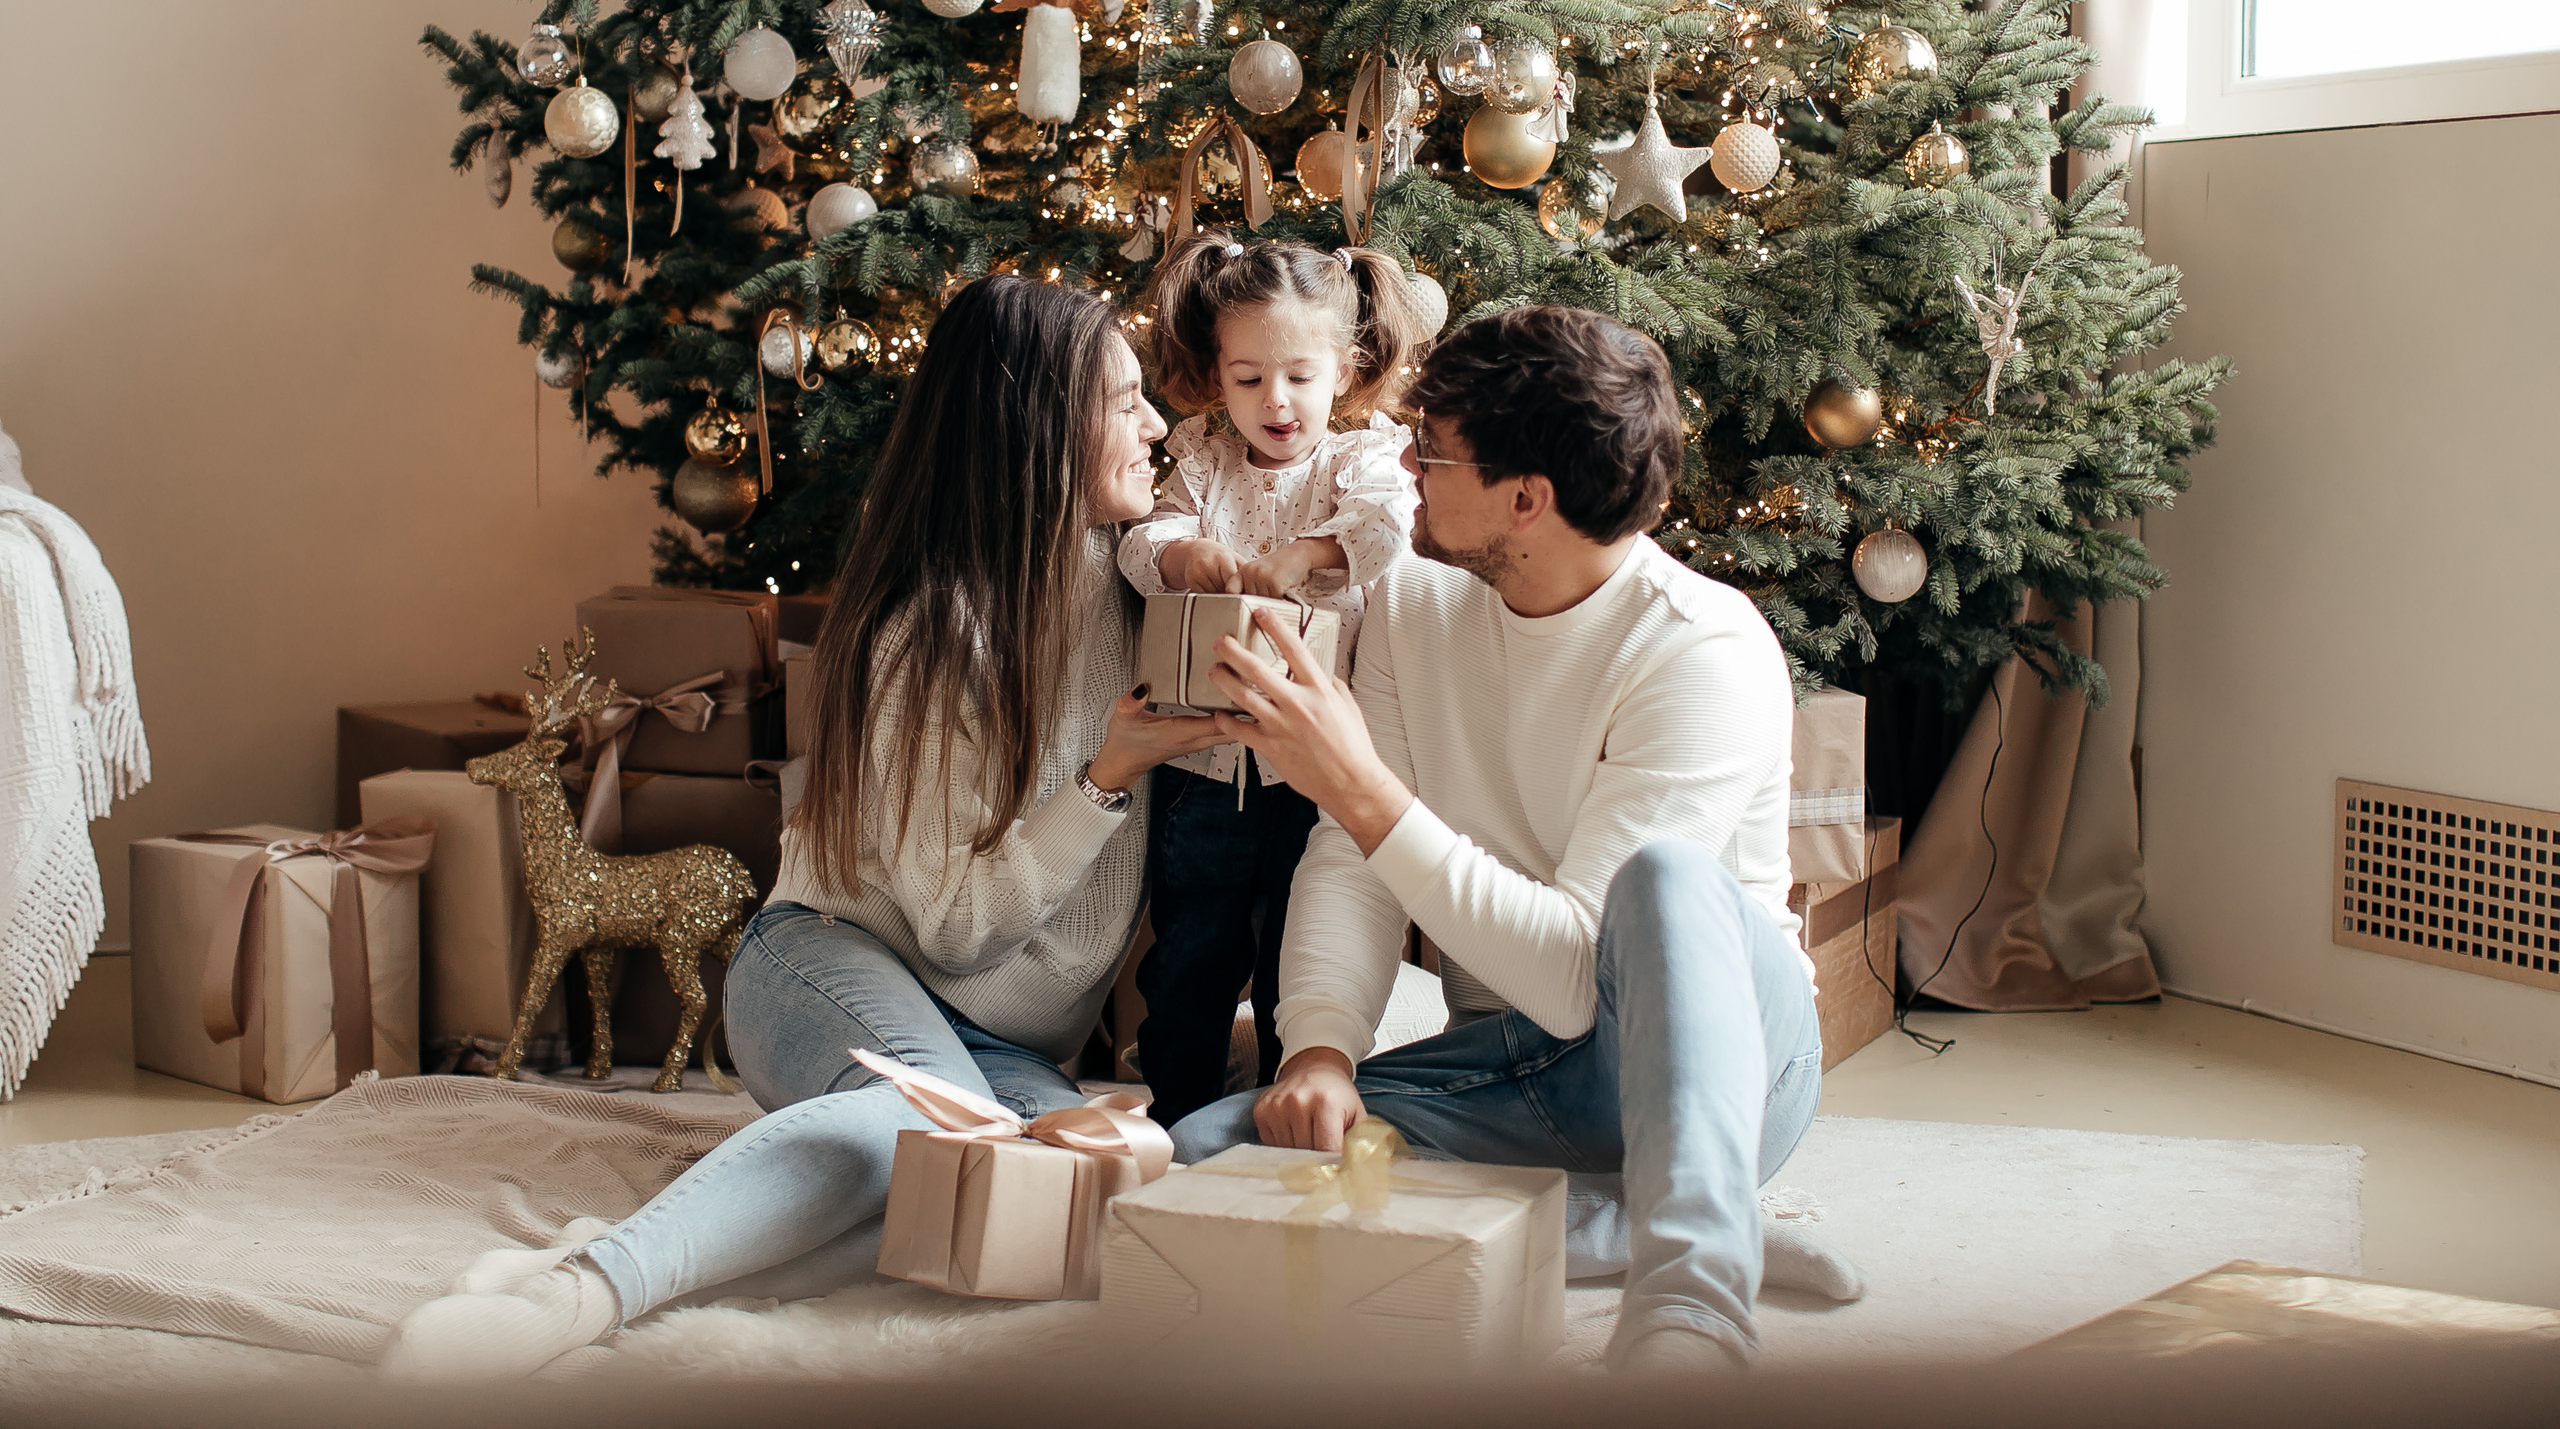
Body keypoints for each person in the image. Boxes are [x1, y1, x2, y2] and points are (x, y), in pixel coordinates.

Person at [382, 275, 1224, 1382]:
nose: (1158, 426)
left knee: (1074, 1196)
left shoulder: (1146, 594)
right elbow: (962, 932)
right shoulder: (932, 630)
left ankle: (705, 1249)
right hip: (832, 959)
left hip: (1005, 1046)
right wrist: (1108, 776)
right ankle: (570, 1297)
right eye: (1125, 402)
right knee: (912, 1138)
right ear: (1041, 423)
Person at [1169, 304, 1843, 1373]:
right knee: (1212, 1151)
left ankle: (1694, 1304)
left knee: (1664, 881)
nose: (1401, 462)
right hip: (1521, 1061)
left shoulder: (1700, 649)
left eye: (1430, 452)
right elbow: (1352, 863)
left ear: (1525, 500)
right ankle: (1625, 1226)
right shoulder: (1414, 599)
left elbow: (1579, 976)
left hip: (1715, 1068)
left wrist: (1362, 791)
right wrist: (1320, 1050)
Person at [1116, 231, 1427, 1125]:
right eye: (1248, 379)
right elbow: (1145, 542)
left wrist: (1307, 551)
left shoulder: (1359, 460)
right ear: (1218, 378)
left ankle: (1295, 1100)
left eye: (1298, 375)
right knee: (1189, 957)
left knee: (1301, 951)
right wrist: (1186, 558)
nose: (1275, 400)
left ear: (1345, 367)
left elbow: (1385, 529)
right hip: (1205, 770)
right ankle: (1178, 1112)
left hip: (1314, 777)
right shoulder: (1205, 462)